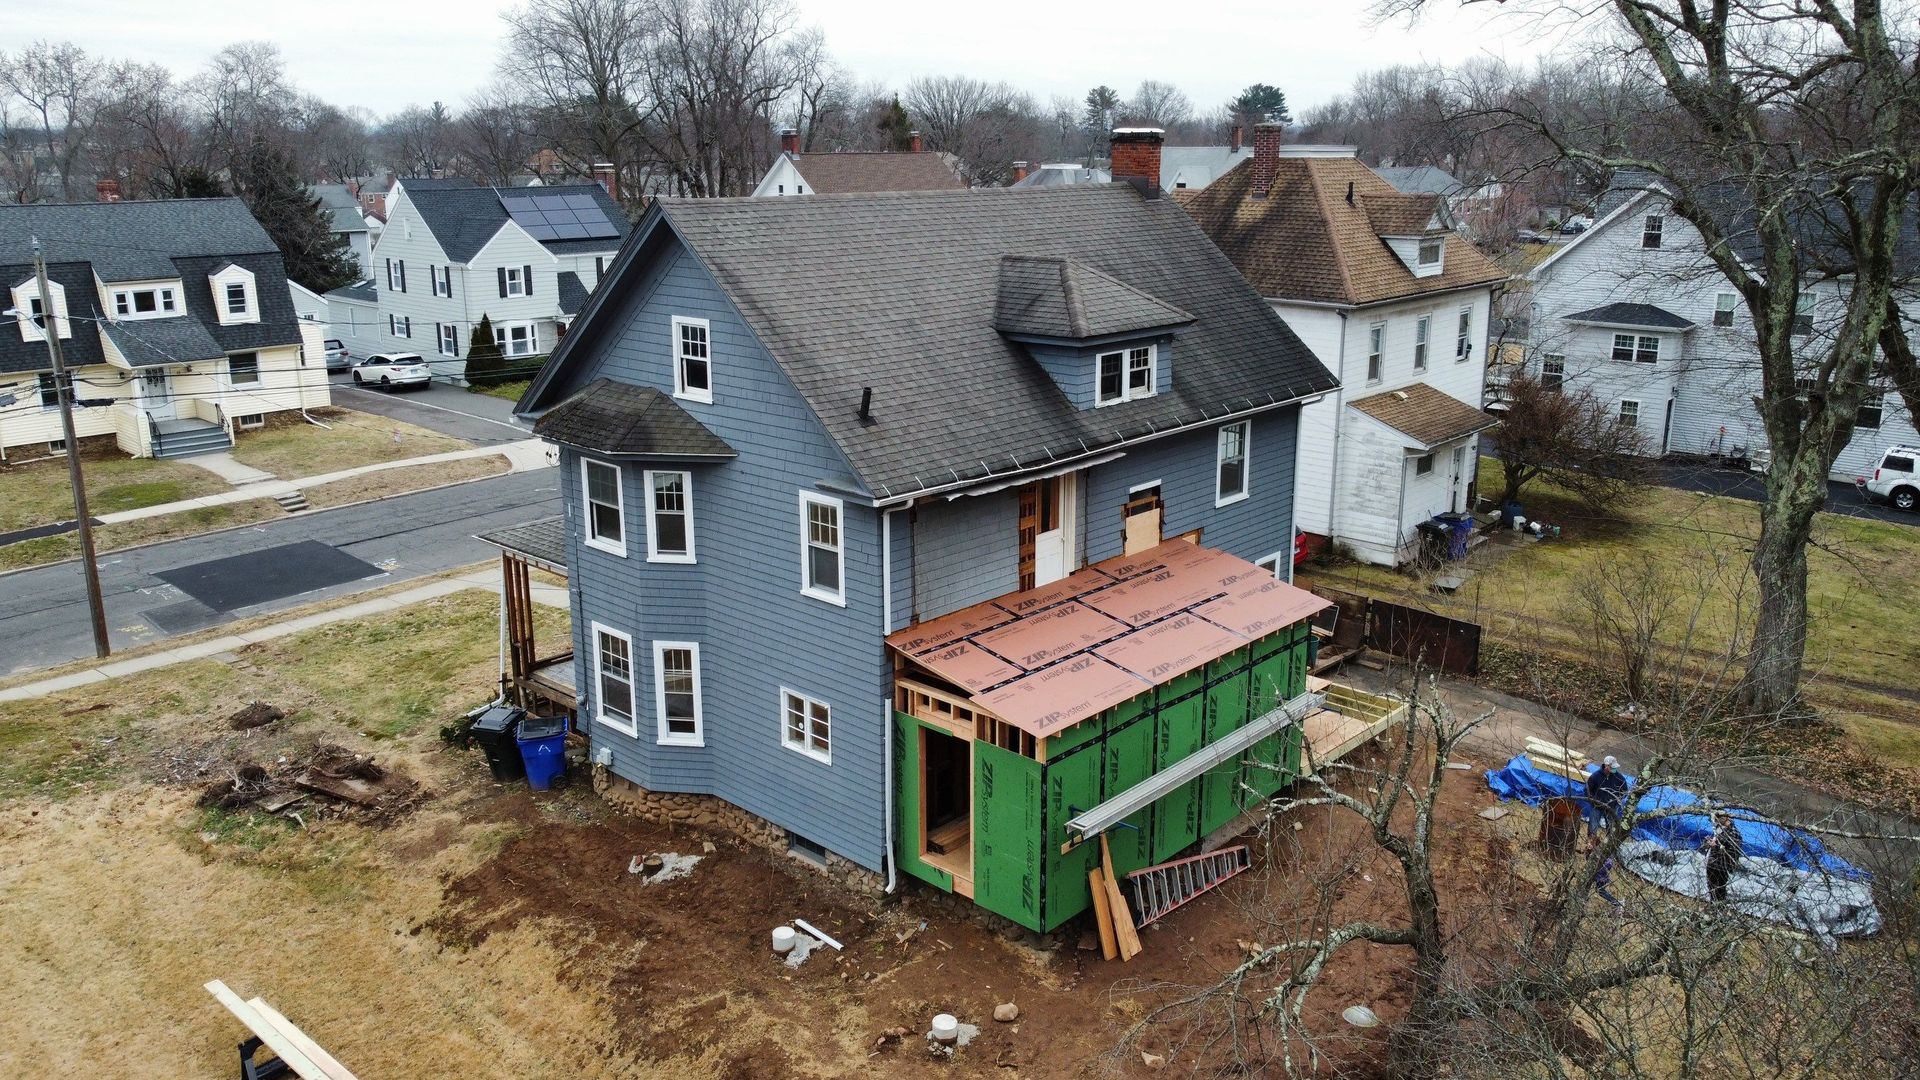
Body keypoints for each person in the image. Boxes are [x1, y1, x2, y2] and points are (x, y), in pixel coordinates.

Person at [1584, 755, 1630, 849]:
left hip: (1611, 807)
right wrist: (1594, 800)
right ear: (1606, 766)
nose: (1614, 769)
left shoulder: (1619, 778)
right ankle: (1591, 843)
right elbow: (1587, 790)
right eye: (1612, 767)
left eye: (1615, 767)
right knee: (1593, 825)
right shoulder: (1595, 776)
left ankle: (1609, 844)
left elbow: (1624, 791)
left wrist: (1617, 799)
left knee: (1611, 826)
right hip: (1597, 806)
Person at [1704, 810, 1741, 904]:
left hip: (1722, 866)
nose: (1717, 821)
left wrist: (1715, 846)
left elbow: (1733, 851)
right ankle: (1713, 906)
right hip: (1712, 864)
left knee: (1720, 889)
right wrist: (1710, 843)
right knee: (1711, 887)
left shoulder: (1733, 832)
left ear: (1726, 818)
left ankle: (1719, 908)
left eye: (1719, 818)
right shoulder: (1719, 829)